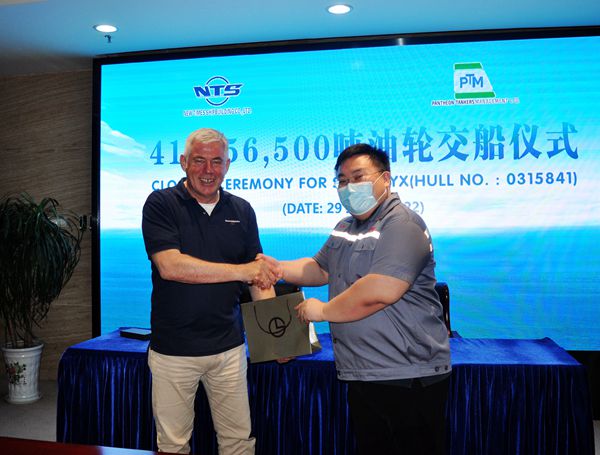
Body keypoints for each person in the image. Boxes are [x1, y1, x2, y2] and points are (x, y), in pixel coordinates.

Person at [260, 143, 451, 455]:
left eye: (358, 177)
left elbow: (381, 290)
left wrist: (323, 310)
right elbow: (320, 268)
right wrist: (277, 269)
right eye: (342, 180)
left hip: (407, 375)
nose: (349, 187)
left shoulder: (402, 224)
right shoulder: (346, 227)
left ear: (385, 179)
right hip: (364, 370)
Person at [141, 127, 277, 455]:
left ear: (227, 165)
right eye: (199, 160)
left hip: (229, 350)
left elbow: (258, 278)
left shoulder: (242, 210)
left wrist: (277, 341)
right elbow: (170, 266)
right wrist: (243, 270)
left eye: (217, 161)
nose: (208, 170)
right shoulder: (161, 203)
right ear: (183, 162)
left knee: (239, 442)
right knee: (173, 445)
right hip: (174, 351)